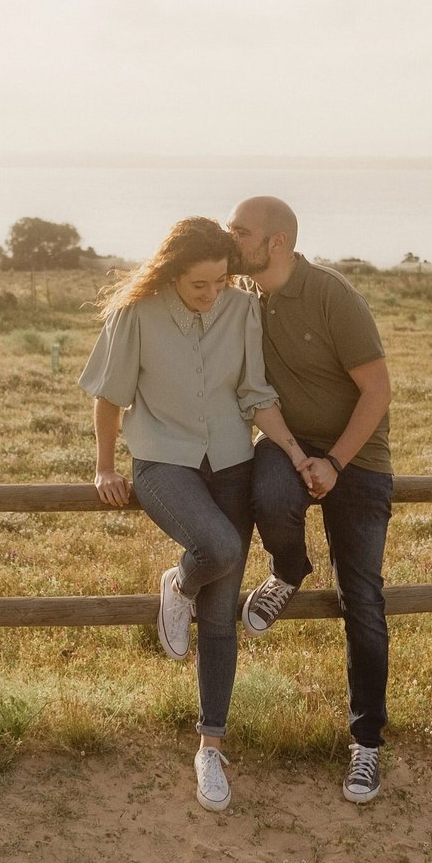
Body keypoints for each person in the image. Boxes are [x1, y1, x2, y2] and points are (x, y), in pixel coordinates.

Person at [80, 216, 313, 813]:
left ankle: (210, 747)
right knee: (222, 549)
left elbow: (256, 394)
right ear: (171, 272)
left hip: (232, 462)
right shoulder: (136, 312)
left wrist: (294, 452)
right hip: (163, 463)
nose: (212, 296)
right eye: (198, 286)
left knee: (220, 615)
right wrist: (106, 468)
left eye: (219, 282)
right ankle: (177, 581)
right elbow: (110, 398)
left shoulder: (241, 310)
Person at [226, 196, 395, 804]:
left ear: (276, 242)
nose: (229, 237)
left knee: (363, 598)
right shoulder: (243, 299)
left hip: (358, 456)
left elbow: (378, 391)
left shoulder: (332, 295)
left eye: (239, 230)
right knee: (268, 492)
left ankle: (366, 746)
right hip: (289, 444)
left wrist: (336, 463)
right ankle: (289, 571)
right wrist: (301, 456)